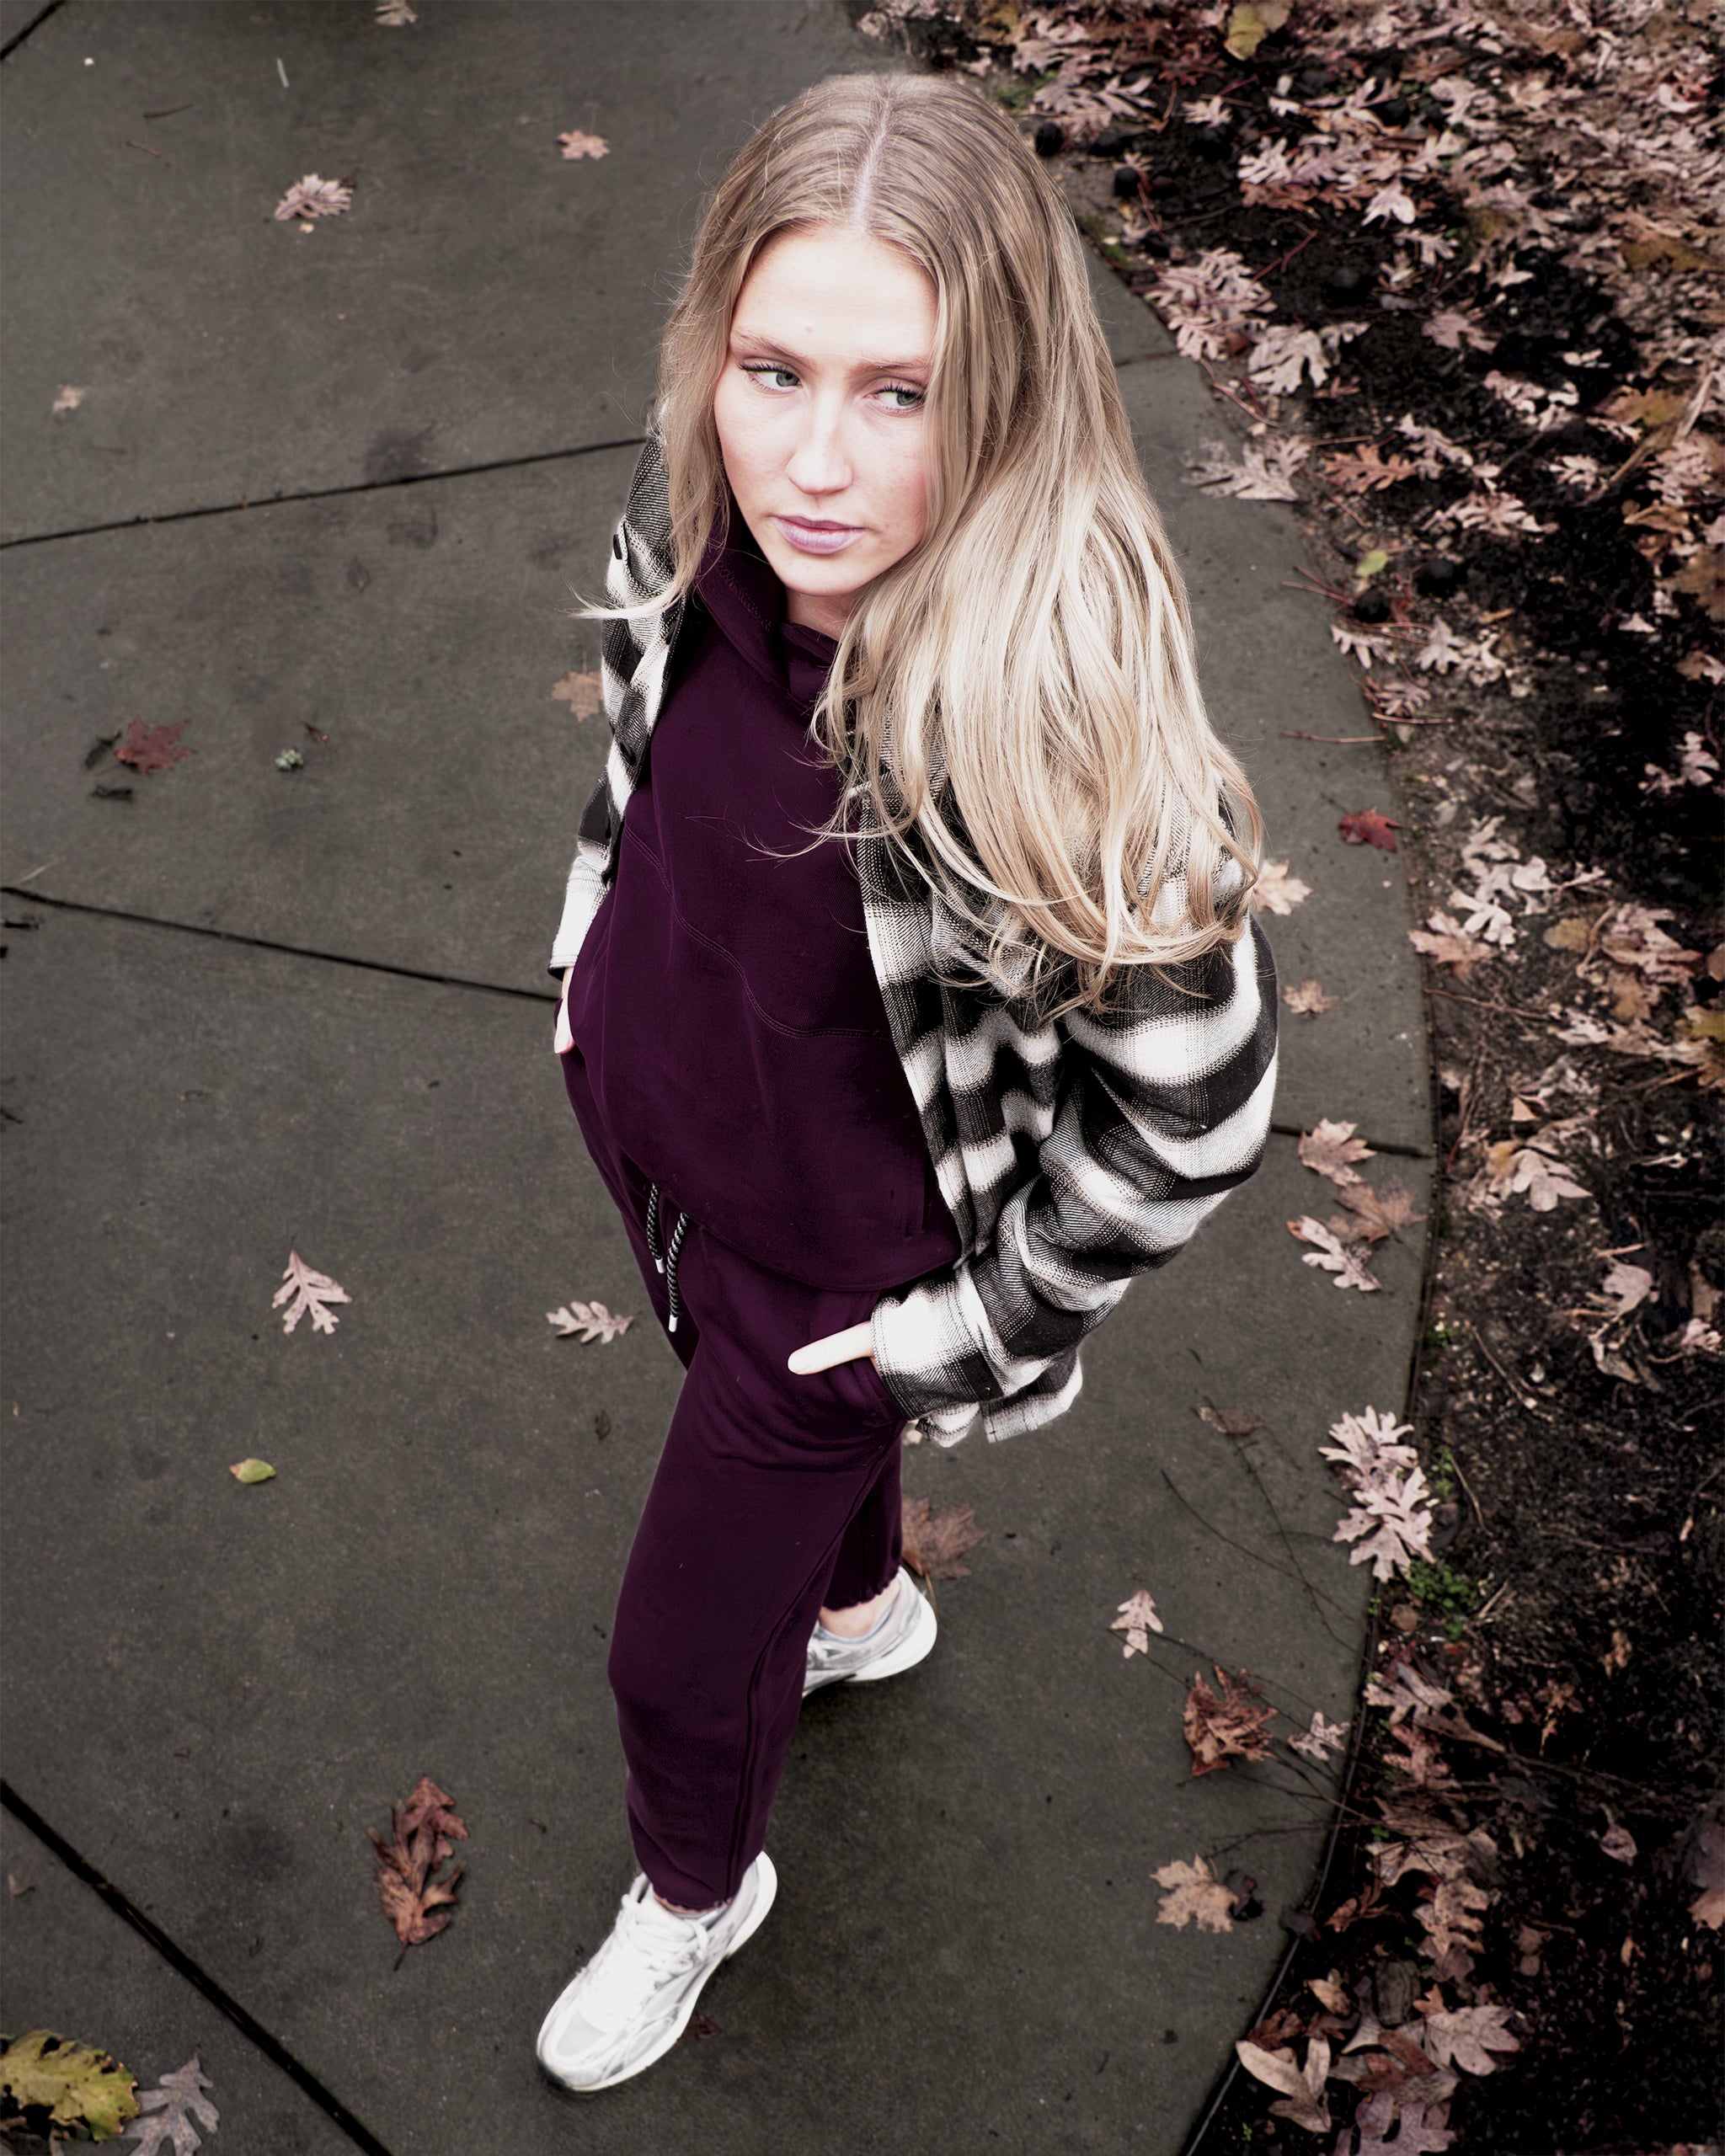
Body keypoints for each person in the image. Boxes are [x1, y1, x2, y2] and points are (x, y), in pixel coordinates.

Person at [534, 69, 1279, 2095]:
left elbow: (1199, 1114)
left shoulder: (1058, 732)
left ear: (1012, 392)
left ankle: (700, 1887)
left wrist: (947, 1335)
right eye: (775, 366)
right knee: (792, 1530)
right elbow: (642, 737)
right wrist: (587, 952)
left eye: (901, 391)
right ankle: (861, 1605)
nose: (816, 464)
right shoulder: (705, 497)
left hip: (837, 1276)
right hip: (673, 1137)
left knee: (677, 1658)